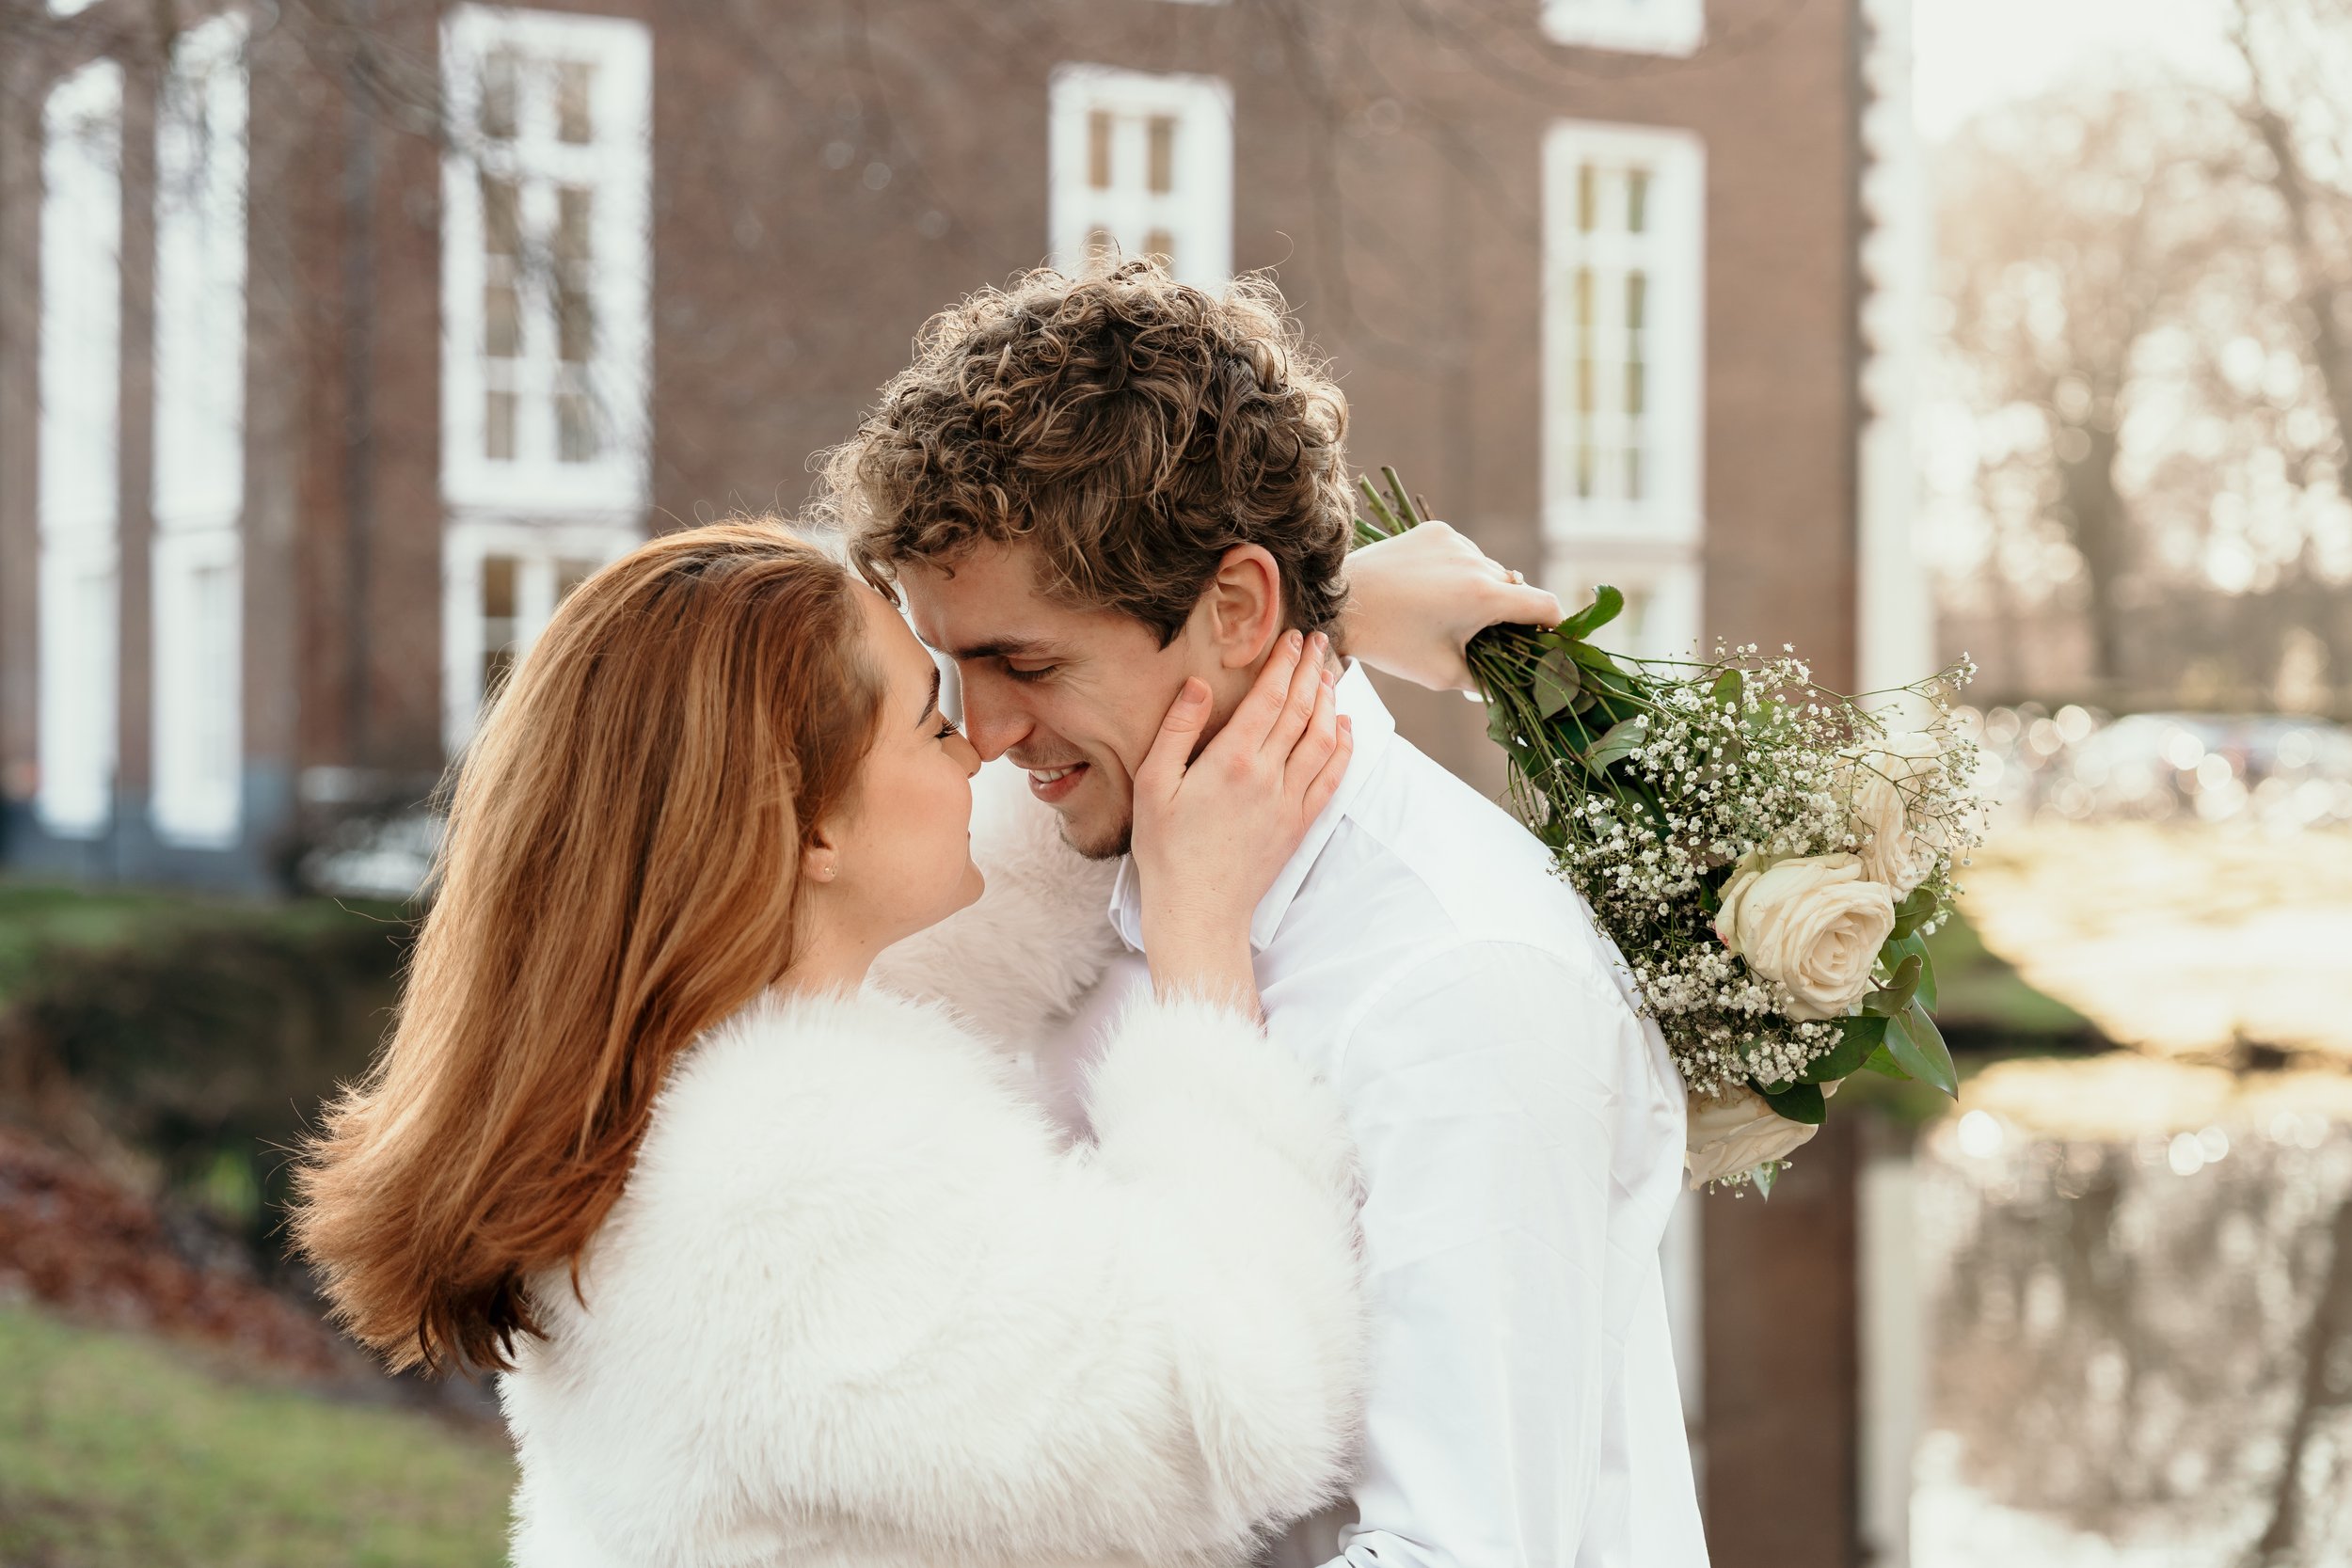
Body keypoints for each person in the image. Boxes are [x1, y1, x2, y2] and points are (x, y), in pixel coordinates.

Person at [289, 515, 1519, 1568]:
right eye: (932, 723)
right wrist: (1201, 958)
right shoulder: (795, 1194)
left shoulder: (690, 1071)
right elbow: (1239, 1408)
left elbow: (1007, 898)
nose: (984, 743)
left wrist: (1282, 628)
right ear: (811, 825)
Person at [828, 260, 1710, 1568]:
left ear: (1237, 610)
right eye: (953, 666)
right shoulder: (1042, 874)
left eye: (1026, 662)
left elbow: (1452, 1552)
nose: (987, 728)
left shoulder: (1463, 983)